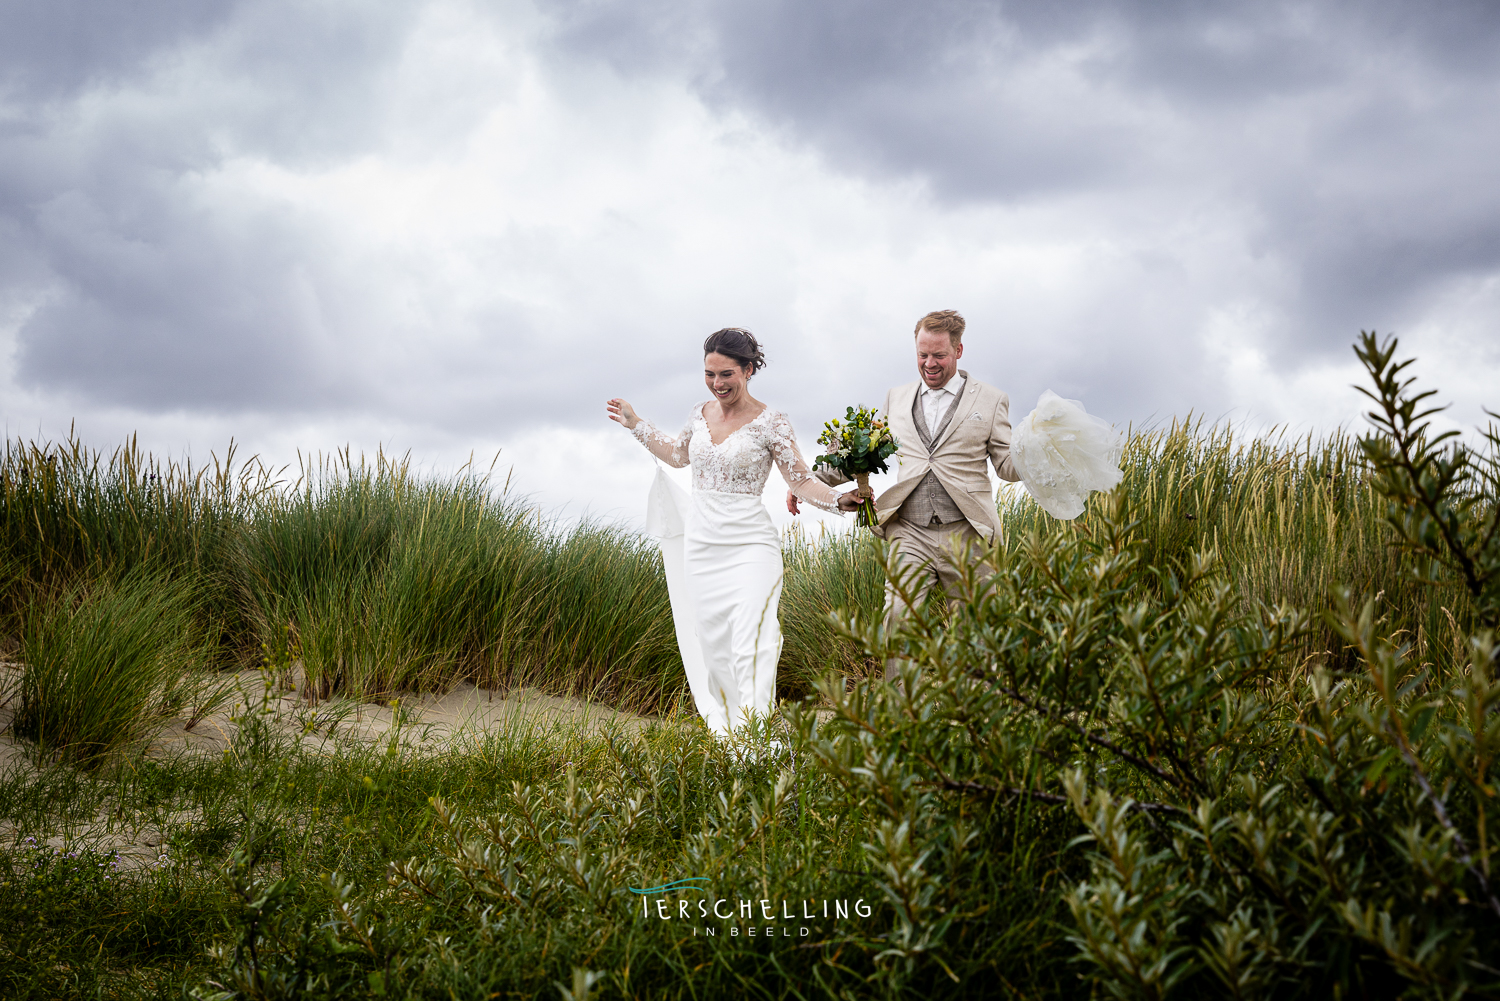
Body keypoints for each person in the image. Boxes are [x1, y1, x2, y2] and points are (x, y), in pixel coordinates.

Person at [608, 328, 861, 738]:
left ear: (747, 370)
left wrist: (837, 500)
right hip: (703, 545)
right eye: (709, 374)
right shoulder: (699, 413)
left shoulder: (772, 423)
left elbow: (799, 482)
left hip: (750, 546)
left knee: (754, 641)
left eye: (726, 374)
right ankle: (728, 737)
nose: (717, 383)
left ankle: (754, 736)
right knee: (715, 647)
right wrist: (636, 424)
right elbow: (677, 456)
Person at [788, 309, 1021, 679]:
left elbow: (1007, 465)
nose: (929, 363)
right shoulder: (896, 398)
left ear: (959, 351)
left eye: (939, 355)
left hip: (967, 532)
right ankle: (901, 719)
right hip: (908, 530)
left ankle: (980, 720)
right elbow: (864, 452)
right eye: (922, 354)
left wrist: (1040, 458)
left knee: (976, 629)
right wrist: (806, 484)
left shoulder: (992, 400)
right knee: (899, 616)